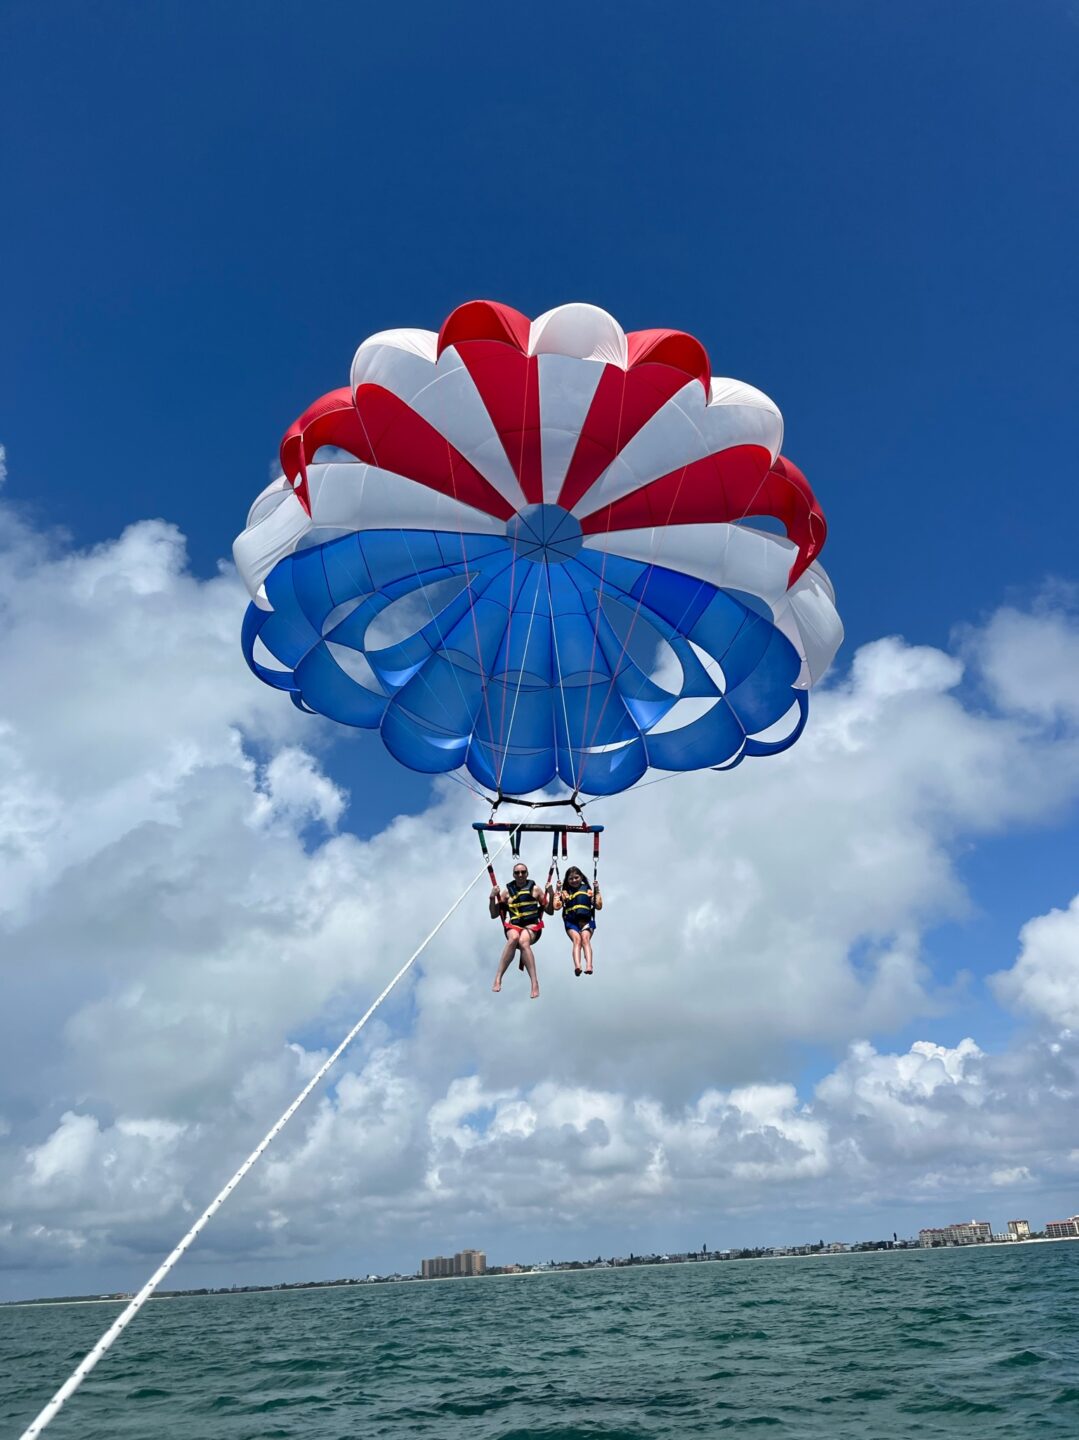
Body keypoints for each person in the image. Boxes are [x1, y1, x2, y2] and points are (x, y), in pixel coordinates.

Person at [490, 860, 548, 999]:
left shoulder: (536, 889)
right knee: (514, 938)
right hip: (514, 925)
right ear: (513, 875)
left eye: (523, 872)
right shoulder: (506, 893)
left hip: (532, 926)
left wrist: (550, 893)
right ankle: (498, 977)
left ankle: (534, 982)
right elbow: (493, 914)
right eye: (517, 872)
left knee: (523, 941)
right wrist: (492, 897)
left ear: (527, 874)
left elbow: (550, 910)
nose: (520, 874)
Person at [555, 865, 602, 975]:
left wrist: (597, 890)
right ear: (567, 880)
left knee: (585, 939)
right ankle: (577, 966)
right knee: (577, 940)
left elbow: (598, 906)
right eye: (571, 879)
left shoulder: (588, 890)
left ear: (581, 877)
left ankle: (589, 965)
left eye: (576, 877)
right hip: (571, 922)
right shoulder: (565, 892)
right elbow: (556, 906)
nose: (574, 880)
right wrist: (558, 891)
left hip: (587, 921)